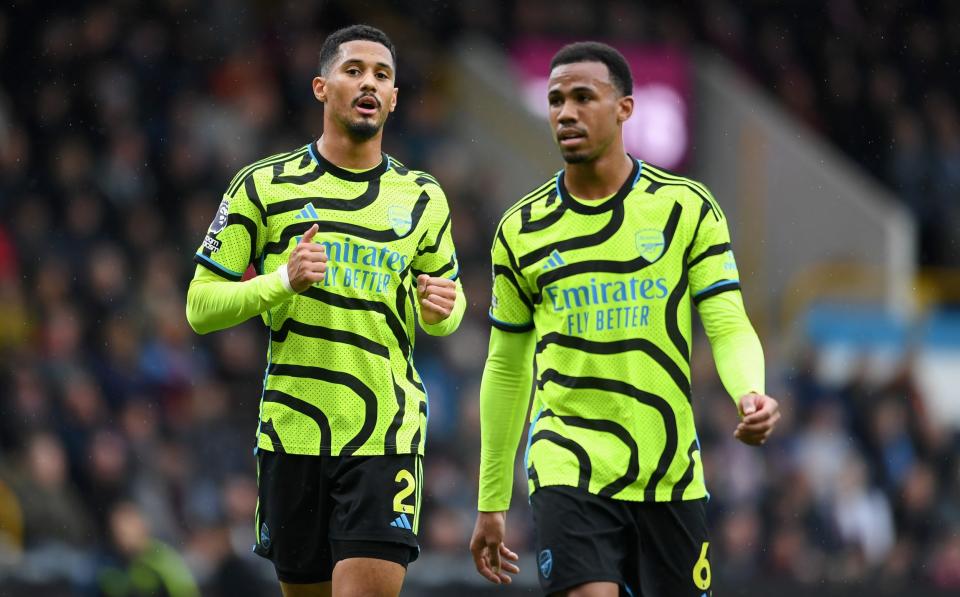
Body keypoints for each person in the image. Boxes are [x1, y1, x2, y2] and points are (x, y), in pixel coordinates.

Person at [469, 42, 780, 597]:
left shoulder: (686, 208)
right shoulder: (522, 229)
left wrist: (749, 392)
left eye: (583, 97)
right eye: (556, 100)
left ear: (625, 108)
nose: (566, 112)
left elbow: (728, 322)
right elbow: (507, 367)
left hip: (670, 475)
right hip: (569, 466)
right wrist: (491, 498)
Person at [186, 24, 464, 597]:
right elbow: (200, 306)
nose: (368, 83)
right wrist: (279, 281)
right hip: (293, 434)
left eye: (382, 75)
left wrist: (444, 310)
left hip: (384, 435)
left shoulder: (421, 197)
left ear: (392, 98)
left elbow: (448, 302)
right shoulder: (262, 186)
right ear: (320, 87)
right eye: (353, 70)